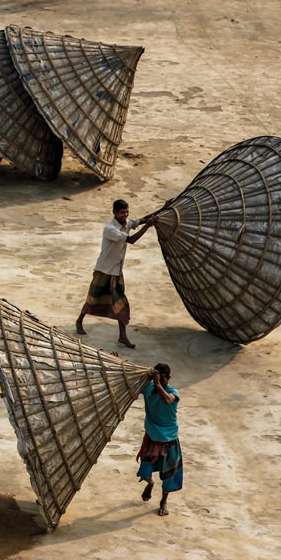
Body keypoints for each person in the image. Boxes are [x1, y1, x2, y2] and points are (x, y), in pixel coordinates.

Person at [75, 199, 157, 348]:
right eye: (121, 212)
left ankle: (122, 336)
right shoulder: (110, 229)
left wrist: (162, 209)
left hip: (116, 272)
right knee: (93, 298)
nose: (124, 215)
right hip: (103, 269)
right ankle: (79, 321)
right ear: (114, 213)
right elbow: (131, 240)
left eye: (126, 212)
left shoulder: (126, 223)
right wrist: (149, 226)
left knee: (121, 303)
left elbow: (143, 220)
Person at [135, 363, 183, 516]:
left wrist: (157, 384)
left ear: (168, 379)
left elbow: (168, 400)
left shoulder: (172, 391)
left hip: (169, 440)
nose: (161, 381)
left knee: (168, 475)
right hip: (151, 437)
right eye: (158, 378)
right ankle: (150, 484)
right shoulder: (148, 388)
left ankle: (164, 501)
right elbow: (130, 384)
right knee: (145, 471)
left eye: (163, 379)